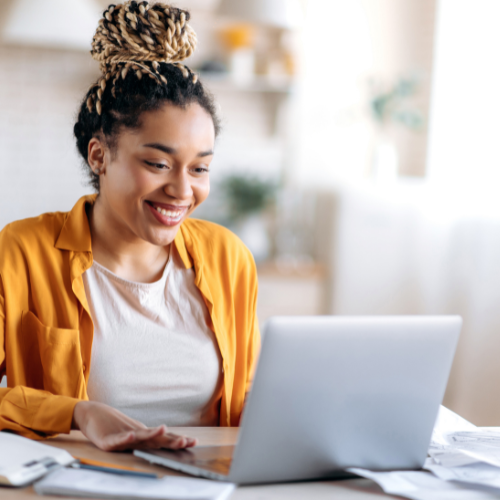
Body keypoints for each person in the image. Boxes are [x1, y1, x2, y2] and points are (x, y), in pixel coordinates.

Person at [0, 1, 260, 452]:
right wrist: (75, 412)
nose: (182, 190)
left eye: (200, 169)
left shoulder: (227, 256)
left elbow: (248, 395)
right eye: (158, 163)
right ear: (99, 155)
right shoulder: (22, 253)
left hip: (209, 483)